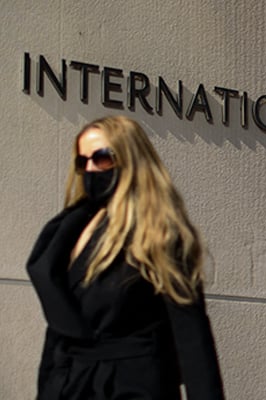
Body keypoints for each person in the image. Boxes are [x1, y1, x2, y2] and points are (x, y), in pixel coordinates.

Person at [26, 115, 225, 399]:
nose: (92, 169)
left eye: (102, 158)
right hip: (72, 385)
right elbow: (58, 333)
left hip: (133, 387)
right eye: (84, 162)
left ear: (130, 159)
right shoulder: (67, 230)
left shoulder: (159, 233)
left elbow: (191, 338)